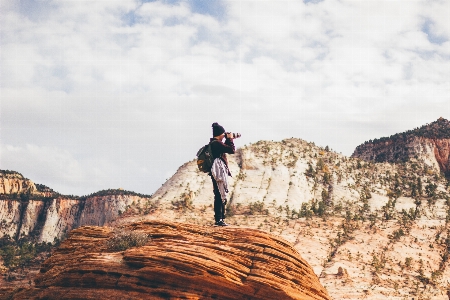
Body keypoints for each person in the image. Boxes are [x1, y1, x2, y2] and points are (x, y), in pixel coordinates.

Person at [209, 122, 235, 226]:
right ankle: (219, 219)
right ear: (220, 134)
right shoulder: (216, 143)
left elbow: (227, 149)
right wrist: (230, 139)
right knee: (219, 195)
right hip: (218, 171)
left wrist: (227, 139)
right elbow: (231, 150)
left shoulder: (214, 143)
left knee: (219, 194)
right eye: (223, 134)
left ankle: (220, 219)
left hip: (216, 171)